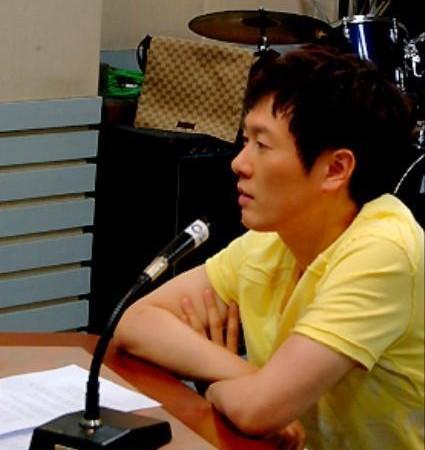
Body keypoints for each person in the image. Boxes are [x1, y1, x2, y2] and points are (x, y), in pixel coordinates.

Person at [114, 45, 424, 450]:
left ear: (335, 169)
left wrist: (218, 386)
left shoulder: (384, 250)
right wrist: (244, 376)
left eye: (262, 145)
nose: (238, 163)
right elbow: (134, 322)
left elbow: (257, 411)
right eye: (245, 141)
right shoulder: (272, 240)